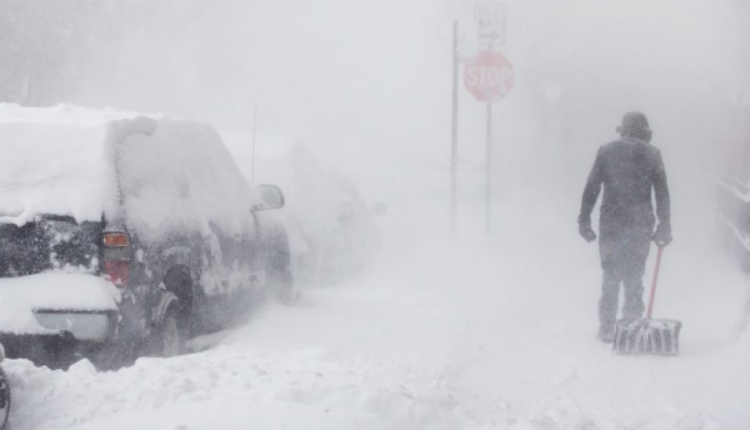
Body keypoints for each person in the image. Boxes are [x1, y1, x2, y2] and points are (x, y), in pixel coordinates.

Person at [578, 111, 672, 343]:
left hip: (611, 224)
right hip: (640, 225)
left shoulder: (606, 151)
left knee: (610, 274)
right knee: (634, 274)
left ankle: (607, 327)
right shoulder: (652, 154)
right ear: (645, 131)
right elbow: (662, 193)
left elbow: (592, 187)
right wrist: (664, 225)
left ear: (623, 130)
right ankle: (631, 325)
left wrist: (584, 220)